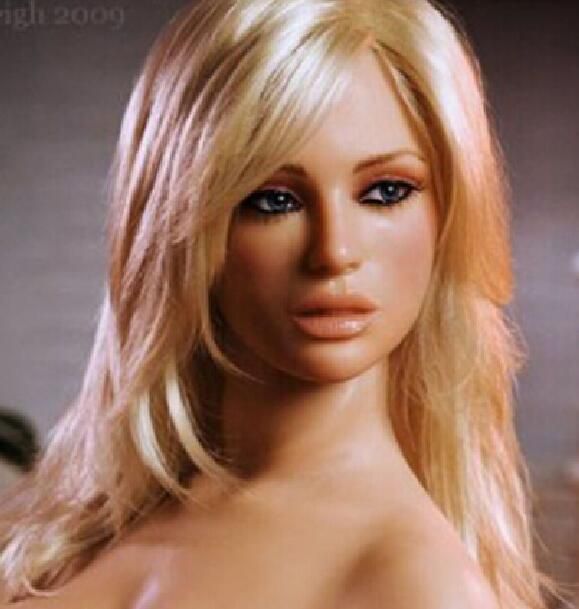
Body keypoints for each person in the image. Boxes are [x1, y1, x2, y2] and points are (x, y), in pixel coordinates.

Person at [0, 0, 564, 607]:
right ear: (178, 221)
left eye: (385, 192)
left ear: (446, 215)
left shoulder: (417, 585)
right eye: (274, 200)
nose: (334, 252)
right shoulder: (93, 519)